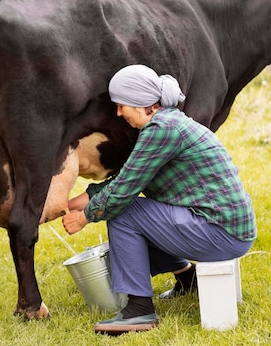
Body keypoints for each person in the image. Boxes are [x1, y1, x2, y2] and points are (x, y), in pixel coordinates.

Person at [62, 64, 256, 335]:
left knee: (123, 212)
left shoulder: (161, 130)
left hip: (220, 232)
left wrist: (85, 217)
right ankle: (188, 279)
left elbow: (121, 193)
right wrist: (65, 206)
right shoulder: (167, 125)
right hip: (226, 228)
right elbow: (121, 181)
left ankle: (139, 310)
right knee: (137, 211)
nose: (118, 113)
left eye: (122, 105)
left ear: (141, 103)